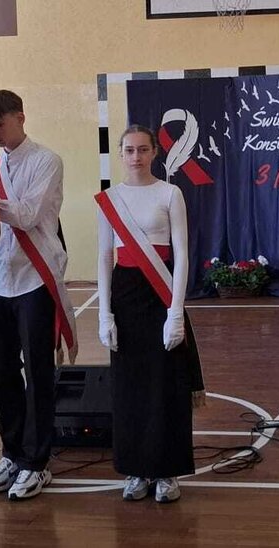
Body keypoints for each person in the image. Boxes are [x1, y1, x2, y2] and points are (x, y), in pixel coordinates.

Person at [0, 90, 75, 501]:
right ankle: (12, 453)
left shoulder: (46, 161)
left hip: (34, 280)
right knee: (3, 374)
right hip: (0, 282)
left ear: (20, 118)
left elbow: (26, 215)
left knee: (38, 374)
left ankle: (36, 462)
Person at [95, 124, 204, 504]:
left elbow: (183, 254)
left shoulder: (170, 193)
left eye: (143, 149)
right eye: (129, 150)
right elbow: (104, 256)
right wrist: (104, 314)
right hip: (125, 296)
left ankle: (167, 471)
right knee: (130, 387)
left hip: (161, 294)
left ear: (155, 152)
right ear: (121, 154)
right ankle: (136, 469)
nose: (136, 156)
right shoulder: (110, 199)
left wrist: (176, 312)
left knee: (166, 385)